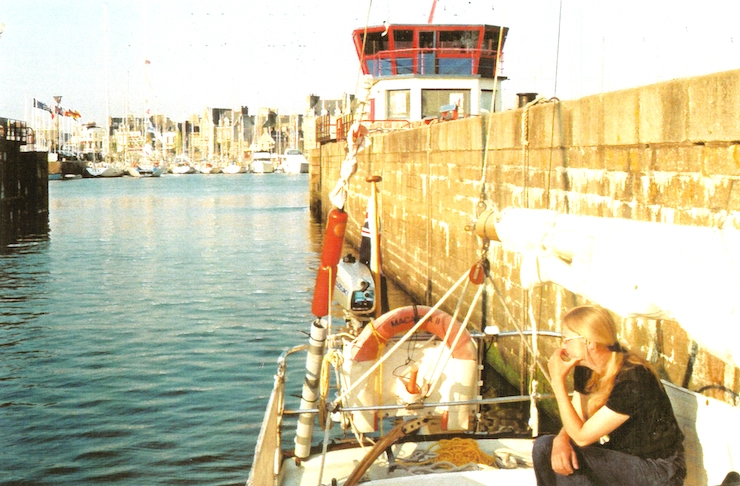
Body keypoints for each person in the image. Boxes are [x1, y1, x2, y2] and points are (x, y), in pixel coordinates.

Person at [533, 305, 686, 485]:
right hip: (622, 456)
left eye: (567, 339)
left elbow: (582, 437)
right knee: (544, 447)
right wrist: (560, 439)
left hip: (659, 469)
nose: (563, 345)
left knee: (576, 461)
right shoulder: (586, 368)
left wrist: (557, 382)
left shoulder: (633, 378)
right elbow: (576, 420)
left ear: (589, 342)